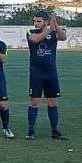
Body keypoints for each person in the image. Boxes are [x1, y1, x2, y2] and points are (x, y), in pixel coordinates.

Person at [26, 11, 67, 140]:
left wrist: (55, 24)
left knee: (52, 102)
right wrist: (50, 29)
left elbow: (63, 37)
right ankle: (31, 130)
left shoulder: (53, 32)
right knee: (34, 102)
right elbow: (35, 39)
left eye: (39, 21)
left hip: (51, 74)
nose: (36, 23)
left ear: (46, 22)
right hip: (36, 74)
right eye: (35, 21)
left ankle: (55, 130)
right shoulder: (31, 32)